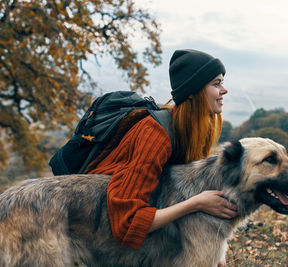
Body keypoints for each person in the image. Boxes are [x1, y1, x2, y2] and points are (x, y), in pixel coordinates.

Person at [88, 49, 237, 256]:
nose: (224, 90)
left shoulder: (194, 131)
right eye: (216, 83)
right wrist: (197, 203)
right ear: (193, 91)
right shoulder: (155, 135)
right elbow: (128, 223)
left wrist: (215, 249)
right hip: (90, 220)